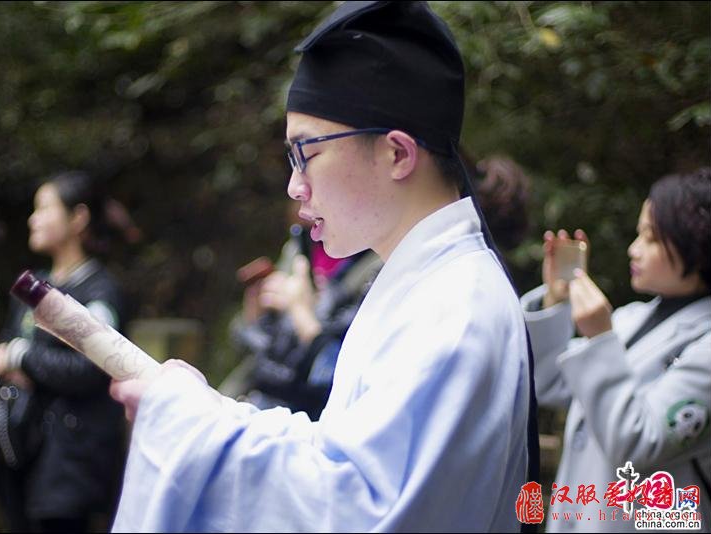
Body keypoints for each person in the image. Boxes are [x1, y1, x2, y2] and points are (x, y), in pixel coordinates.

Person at [110, 2, 536, 531]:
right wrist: (208, 413)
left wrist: (192, 428)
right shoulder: (428, 286)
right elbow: (338, 452)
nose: (295, 186)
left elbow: (360, 508)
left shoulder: (454, 308)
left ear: (397, 154)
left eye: (305, 153)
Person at [521, 167, 711, 532]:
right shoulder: (630, 319)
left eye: (651, 238)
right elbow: (550, 384)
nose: (633, 249)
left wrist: (598, 339)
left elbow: (638, 445)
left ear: (698, 245)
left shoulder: (707, 346)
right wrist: (554, 302)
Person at [0, 170, 128, 533]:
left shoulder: (99, 290)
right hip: (23, 451)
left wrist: (23, 358)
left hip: (69, 464)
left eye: (44, 209)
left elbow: (89, 369)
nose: (33, 220)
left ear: (78, 218)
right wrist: (19, 359)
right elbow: (0, 352)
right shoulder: (33, 286)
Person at [224, 204, 383, 420]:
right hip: (262, 393)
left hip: (310, 413)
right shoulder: (298, 247)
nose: (299, 191)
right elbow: (252, 346)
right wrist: (256, 317)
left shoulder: (375, 264)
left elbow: (336, 373)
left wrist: (301, 312)